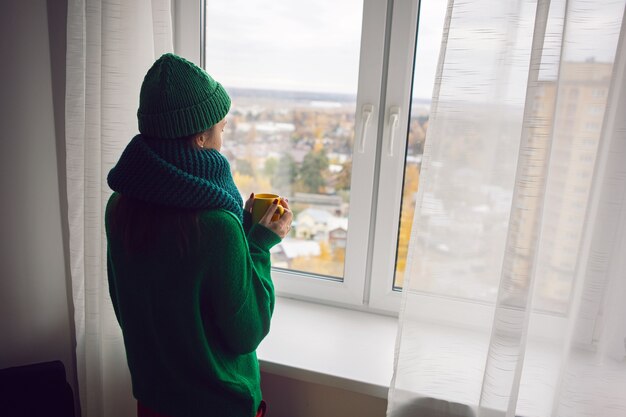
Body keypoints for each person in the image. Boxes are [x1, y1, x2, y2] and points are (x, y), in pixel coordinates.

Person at [105, 53, 293, 417]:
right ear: (201, 136)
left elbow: (133, 303)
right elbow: (247, 332)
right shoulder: (217, 225)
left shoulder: (120, 207)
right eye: (222, 128)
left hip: (154, 402)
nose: (223, 137)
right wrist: (257, 244)